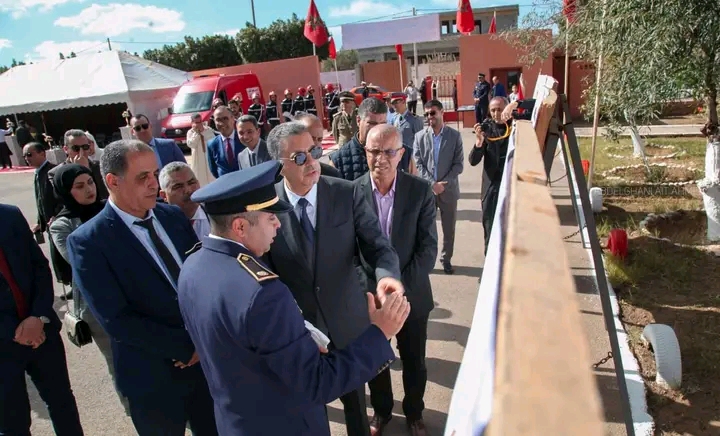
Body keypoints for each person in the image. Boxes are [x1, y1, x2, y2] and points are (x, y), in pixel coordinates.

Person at [178, 160, 409, 436]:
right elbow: (317, 384)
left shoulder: (192, 266)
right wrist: (380, 332)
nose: (278, 223)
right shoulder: (263, 294)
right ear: (240, 227)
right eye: (270, 217)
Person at [66, 139, 217, 436]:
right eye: (142, 177)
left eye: (155, 174)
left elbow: (202, 281)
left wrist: (205, 340)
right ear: (113, 181)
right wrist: (186, 346)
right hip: (152, 381)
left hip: (206, 368)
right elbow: (116, 319)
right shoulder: (88, 242)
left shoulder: (173, 216)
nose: (153, 184)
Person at [265, 122, 404, 436]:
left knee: (355, 407)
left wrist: (386, 277)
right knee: (309, 411)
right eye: (300, 157)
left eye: (314, 151)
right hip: (299, 331)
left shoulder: (346, 192)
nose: (312, 162)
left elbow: (378, 247)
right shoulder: (267, 205)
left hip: (346, 325)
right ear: (279, 165)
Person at [355, 125, 437, 436]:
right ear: (365, 152)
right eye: (374, 151)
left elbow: (428, 249)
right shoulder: (352, 192)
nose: (381, 158)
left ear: (401, 154)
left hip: (411, 296)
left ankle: (414, 413)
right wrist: (376, 292)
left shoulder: (420, 191)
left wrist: (397, 289)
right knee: (376, 361)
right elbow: (349, 252)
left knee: (414, 361)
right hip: (371, 299)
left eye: (389, 151)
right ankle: (382, 411)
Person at [0, 203, 84, 435]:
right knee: (12, 422)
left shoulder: (9, 216)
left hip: (43, 331)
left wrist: (38, 316)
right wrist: (17, 331)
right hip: (4, 345)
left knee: (62, 403)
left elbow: (39, 266)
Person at [48, 164, 124, 409]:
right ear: (65, 191)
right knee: (118, 362)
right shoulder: (61, 225)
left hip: (131, 292)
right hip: (96, 305)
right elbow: (79, 261)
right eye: (79, 186)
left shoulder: (110, 208)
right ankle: (135, 411)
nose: (89, 190)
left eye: (90, 182)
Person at [413, 100, 464, 274]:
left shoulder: (454, 136)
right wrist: (432, 184)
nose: (429, 117)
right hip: (428, 191)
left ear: (442, 112)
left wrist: (443, 184)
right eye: (426, 114)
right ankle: (428, 261)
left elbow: (458, 165)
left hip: (448, 191)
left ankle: (446, 259)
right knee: (426, 229)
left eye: (433, 113)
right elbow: (418, 163)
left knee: (449, 229)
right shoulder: (419, 137)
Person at [330, 97, 387, 181]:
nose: (378, 129)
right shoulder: (338, 161)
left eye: (382, 124)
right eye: (372, 123)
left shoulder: (401, 154)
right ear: (358, 120)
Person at [159, 162, 210, 239]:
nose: (188, 190)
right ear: (164, 195)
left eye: (191, 183)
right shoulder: (159, 226)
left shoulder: (217, 216)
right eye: (178, 186)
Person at [293, 112, 342, 178]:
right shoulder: (280, 173)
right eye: (311, 138)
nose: (316, 144)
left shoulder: (331, 175)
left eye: (319, 139)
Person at [207, 105, 245, 178]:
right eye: (218, 119)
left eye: (225, 118)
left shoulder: (244, 138)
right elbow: (213, 170)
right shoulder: (212, 144)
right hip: (225, 183)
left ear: (233, 119)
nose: (222, 123)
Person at [389, 93, 422, 174]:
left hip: (410, 158)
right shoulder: (395, 119)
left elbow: (420, 141)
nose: (394, 106)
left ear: (403, 102)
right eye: (392, 103)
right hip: (397, 157)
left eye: (396, 103)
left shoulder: (414, 119)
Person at [186, 112, 216, 186]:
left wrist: (203, 132)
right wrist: (197, 134)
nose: (199, 124)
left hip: (208, 157)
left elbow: (213, 140)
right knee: (200, 179)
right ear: (192, 122)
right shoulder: (190, 132)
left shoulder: (208, 130)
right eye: (196, 122)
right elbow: (191, 144)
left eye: (200, 122)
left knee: (212, 178)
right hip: (198, 160)